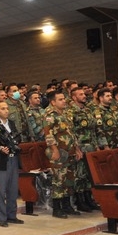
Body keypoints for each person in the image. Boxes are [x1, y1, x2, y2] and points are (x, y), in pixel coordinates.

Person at [43, 90, 82, 218]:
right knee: (58, 180)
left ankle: (67, 205)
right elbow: (48, 134)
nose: (64, 101)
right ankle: (57, 208)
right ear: (53, 102)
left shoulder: (66, 113)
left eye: (64, 99)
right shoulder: (49, 115)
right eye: (60, 99)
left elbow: (72, 133)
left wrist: (77, 149)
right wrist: (54, 150)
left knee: (69, 179)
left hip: (70, 152)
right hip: (59, 152)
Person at [0, 101, 23, 227]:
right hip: (2, 161)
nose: (6, 110)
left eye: (7, 108)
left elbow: (18, 137)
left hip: (14, 159)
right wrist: (0, 148)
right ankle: (1, 217)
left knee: (13, 189)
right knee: (1, 191)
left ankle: (12, 215)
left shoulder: (11, 123)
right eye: (3, 108)